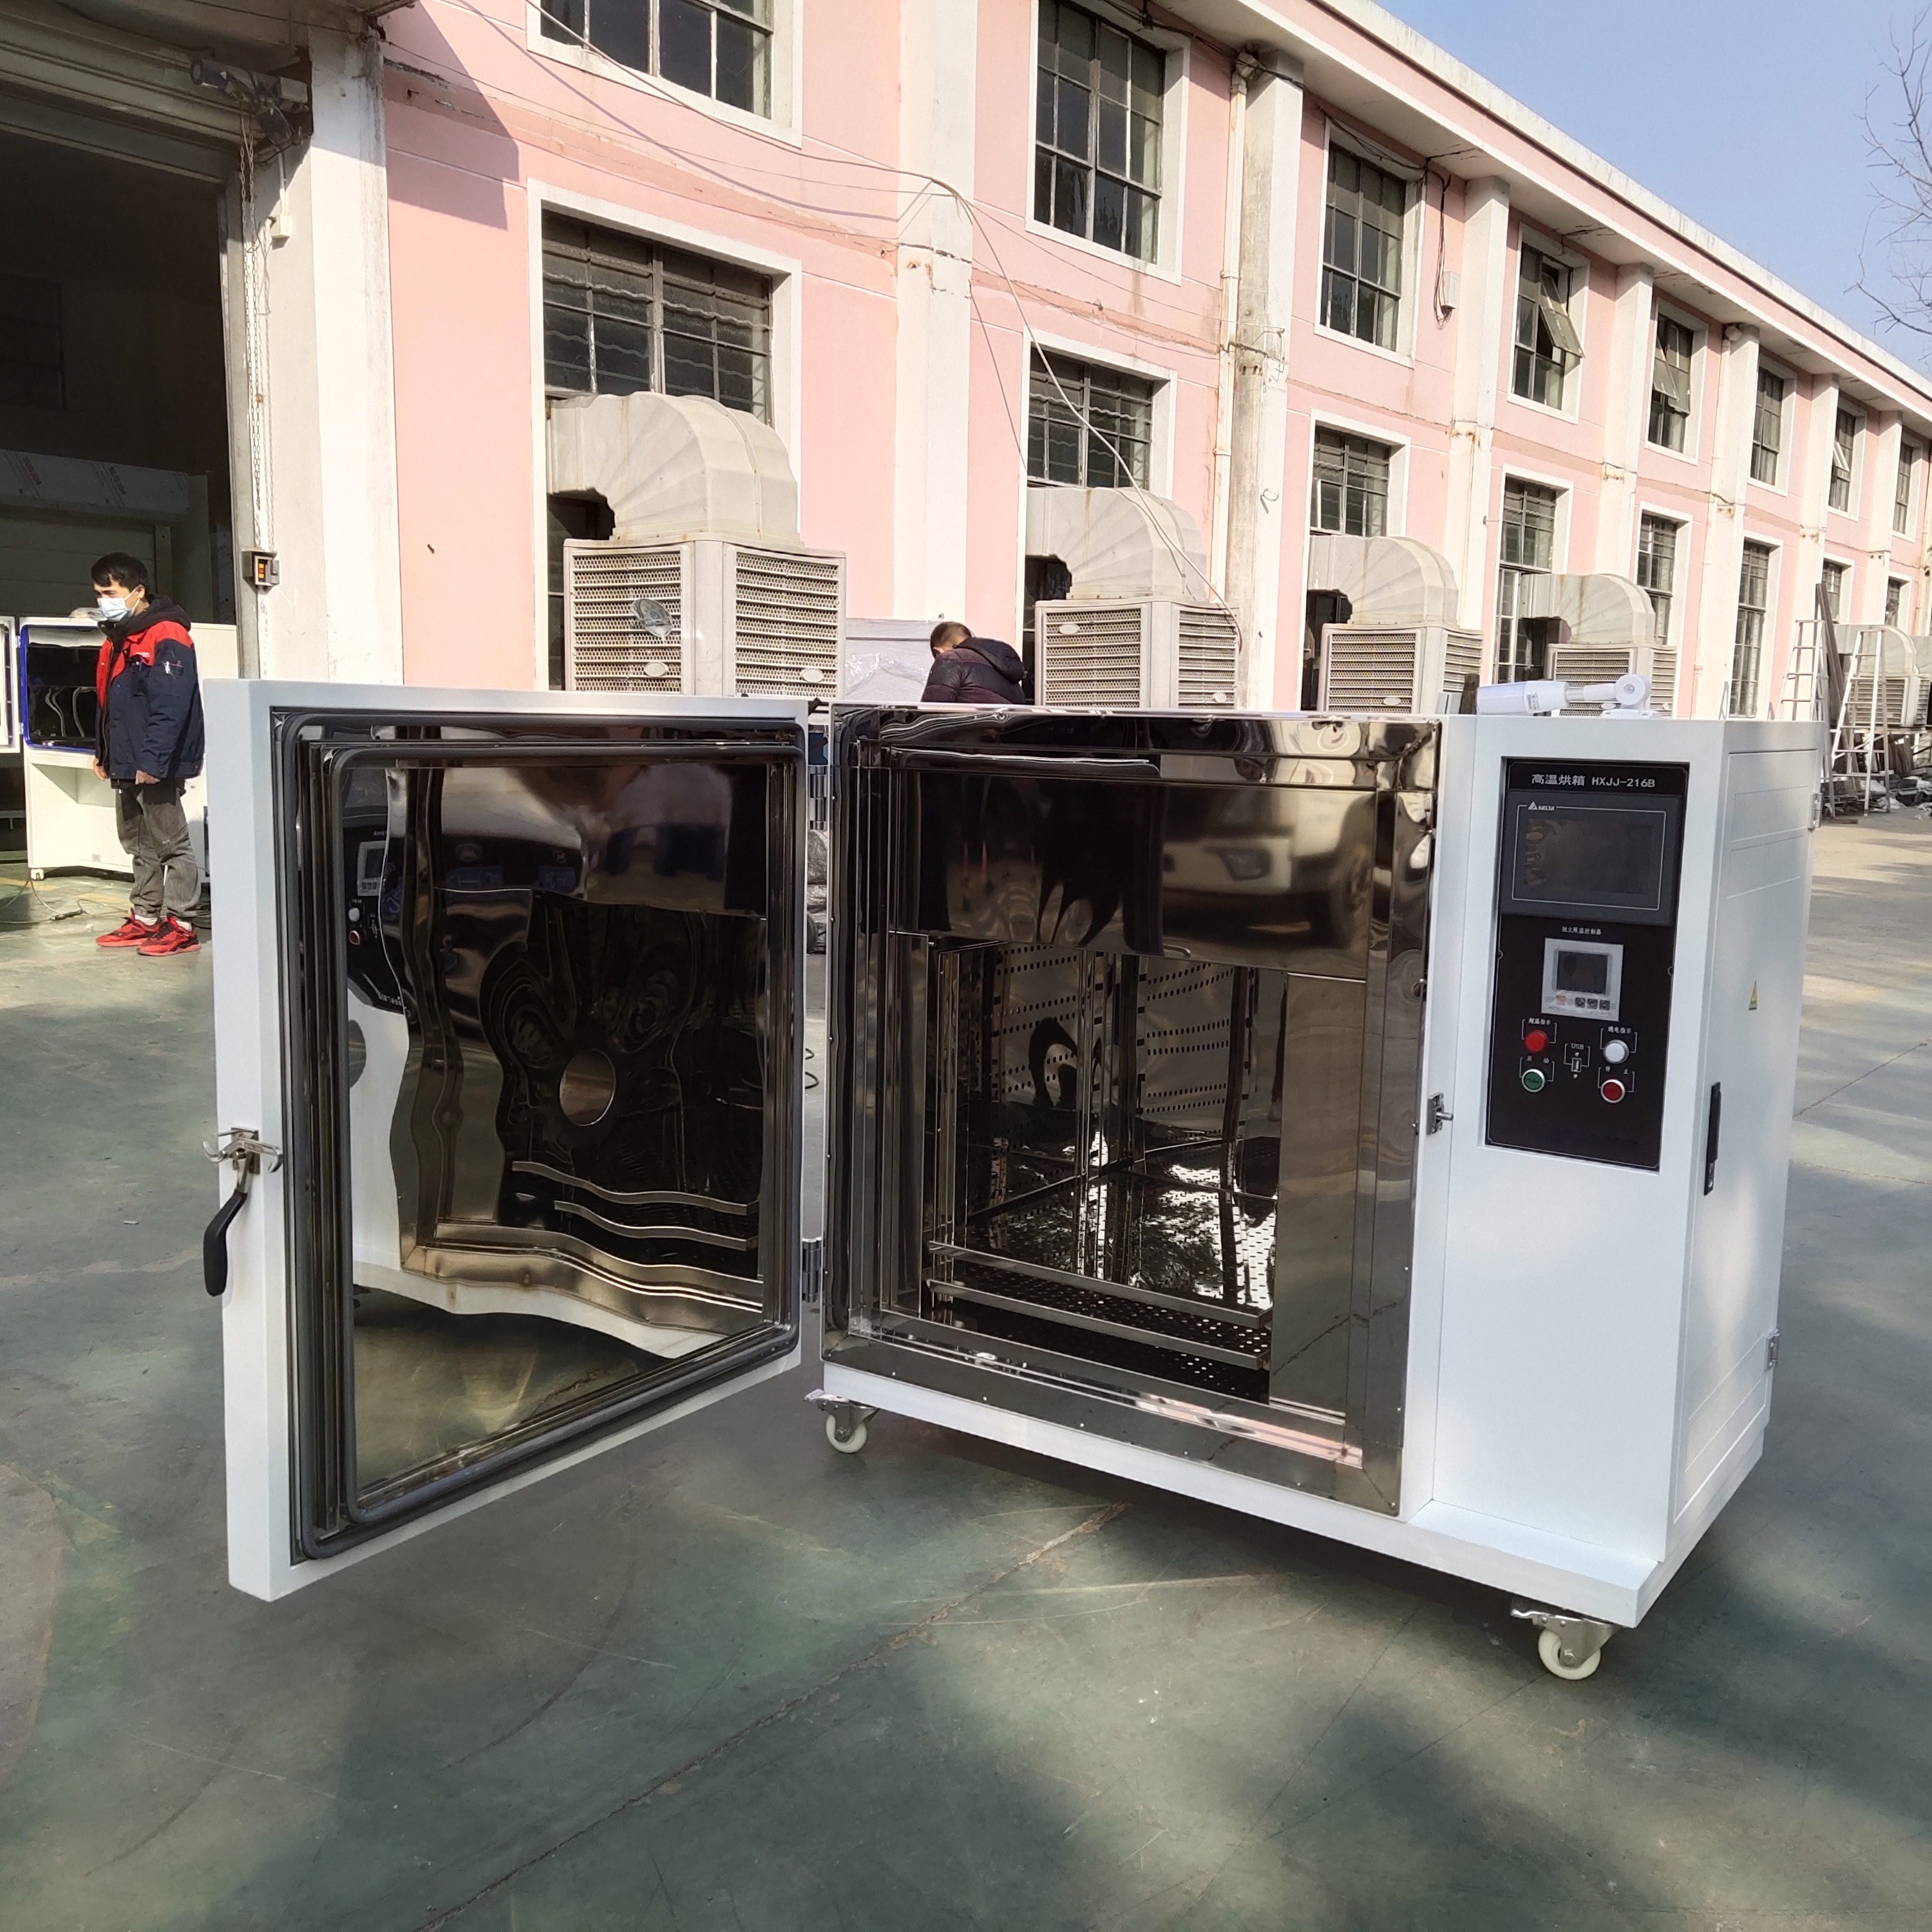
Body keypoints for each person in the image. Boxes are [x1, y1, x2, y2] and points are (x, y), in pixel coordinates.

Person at [88, 552, 204, 956]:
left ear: (138, 591)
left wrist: (153, 761)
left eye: (110, 593)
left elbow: (172, 705)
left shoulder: (166, 634)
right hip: (125, 758)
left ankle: (182, 924)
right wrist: (103, 752)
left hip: (155, 761)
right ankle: (146, 916)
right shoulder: (118, 638)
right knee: (138, 843)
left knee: (171, 843)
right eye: (99, 593)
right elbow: (109, 701)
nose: (104, 601)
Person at [920, 619, 1030, 705]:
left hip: (969, 728)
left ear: (938, 652)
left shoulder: (949, 658)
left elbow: (933, 714)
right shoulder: (1011, 677)